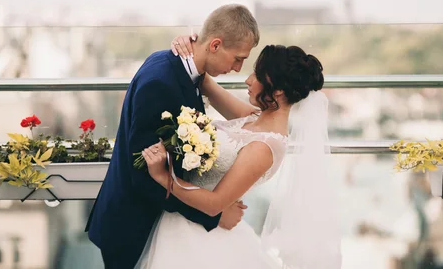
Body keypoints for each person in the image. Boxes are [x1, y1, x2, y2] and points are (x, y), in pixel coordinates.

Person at [136, 37, 342, 268]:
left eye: (257, 75)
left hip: (201, 235)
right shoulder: (253, 118)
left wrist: (164, 177)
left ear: (279, 91)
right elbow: (205, 82)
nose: (248, 80)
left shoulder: (265, 147)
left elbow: (214, 204)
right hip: (183, 223)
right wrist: (188, 43)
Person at [85, 4, 260, 268]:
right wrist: (214, 215)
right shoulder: (160, 83)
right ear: (215, 45)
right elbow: (143, 174)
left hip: (159, 220)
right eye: (238, 58)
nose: (238, 68)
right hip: (133, 225)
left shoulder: (178, 67)